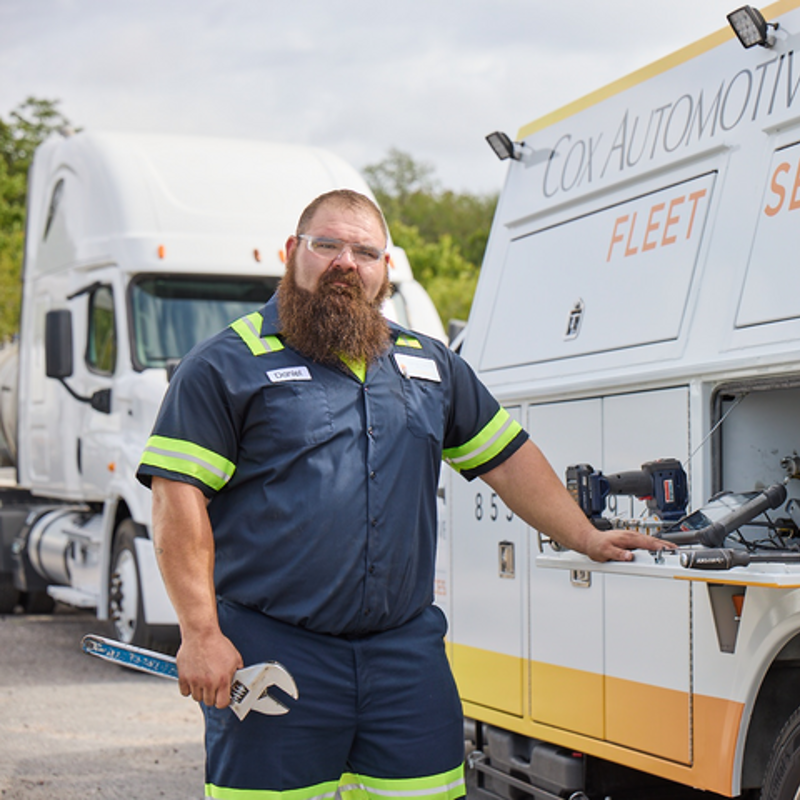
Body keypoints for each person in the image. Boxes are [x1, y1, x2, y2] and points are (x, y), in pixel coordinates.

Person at [136, 189, 670, 800]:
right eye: (327, 245)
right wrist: (201, 633)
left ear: (385, 268)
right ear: (292, 251)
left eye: (365, 252)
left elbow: (508, 460)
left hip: (405, 659)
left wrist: (585, 535)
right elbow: (177, 500)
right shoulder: (224, 365)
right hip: (273, 654)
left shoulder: (430, 365)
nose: (346, 263)